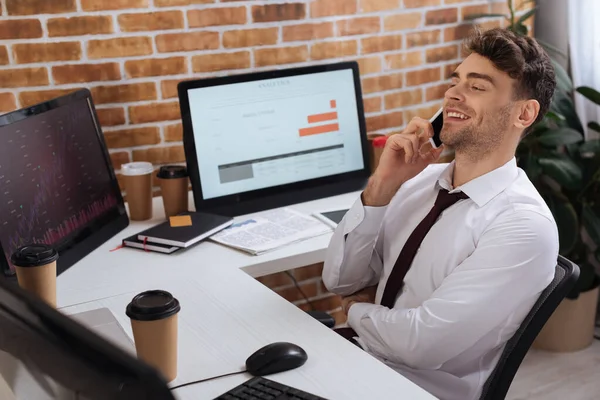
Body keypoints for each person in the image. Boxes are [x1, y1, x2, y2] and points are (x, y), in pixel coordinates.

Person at [322, 28, 559, 400]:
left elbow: (421, 345)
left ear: (524, 113)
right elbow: (340, 280)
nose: (453, 93)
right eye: (455, 80)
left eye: (477, 87)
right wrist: (381, 189)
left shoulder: (522, 225)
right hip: (354, 359)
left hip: (411, 389)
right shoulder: (420, 181)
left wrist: (353, 312)